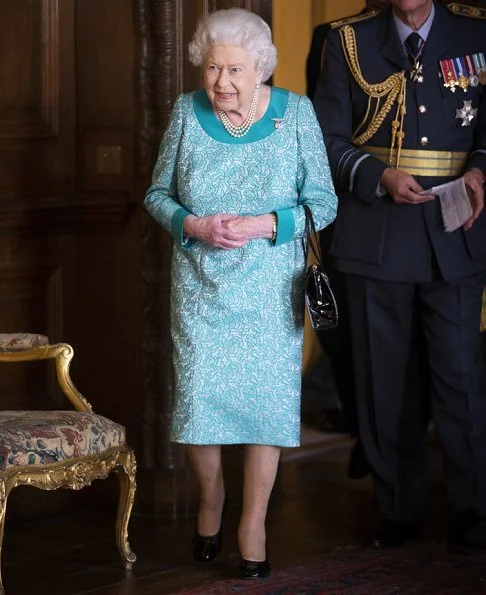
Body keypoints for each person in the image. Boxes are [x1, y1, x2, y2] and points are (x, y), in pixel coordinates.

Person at [144, 8, 337, 579]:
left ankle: (252, 522)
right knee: (199, 403)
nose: (220, 83)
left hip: (270, 288)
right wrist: (195, 226)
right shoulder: (186, 111)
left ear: (262, 68)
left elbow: (323, 202)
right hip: (201, 286)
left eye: (233, 70)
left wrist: (263, 225)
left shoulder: (296, 113)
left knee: (264, 410)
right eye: (210, 69)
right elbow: (157, 195)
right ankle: (211, 498)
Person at [314, 0, 486, 553]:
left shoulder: (476, 29)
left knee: (461, 376)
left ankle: (475, 508)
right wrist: (378, 174)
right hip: (377, 229)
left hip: (457, 226)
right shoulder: (344, 40)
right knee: (384, 378)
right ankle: (396, 508)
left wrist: (481, 167)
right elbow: (328, 140)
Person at [304, 0, 391, 479]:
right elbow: (324, 133)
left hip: (419, 212)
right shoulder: (334, 37)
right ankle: (363, 432)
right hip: (345, 207)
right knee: (343, 331)